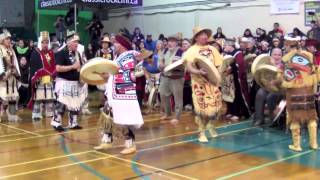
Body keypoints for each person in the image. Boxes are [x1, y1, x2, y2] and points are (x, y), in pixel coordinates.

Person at [94, 32, 144, 154]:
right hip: (114, 94)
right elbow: (112, 74)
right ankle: (107, 141)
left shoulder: (128, 55)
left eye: (115, 43)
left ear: (121, 45)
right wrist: (98, 73)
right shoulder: (118, 57)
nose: (113, 46)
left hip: (123, 94)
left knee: (123, 119)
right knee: (107, 115)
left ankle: (130, 144)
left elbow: (139, 59)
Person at [272, 35, 318, 151]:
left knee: (294, 118)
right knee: (311, 117)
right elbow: (316, 72)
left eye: (285, 46)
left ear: (288, 45)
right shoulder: (309, 55)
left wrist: (274, 82)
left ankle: (297, 145)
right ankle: (314, 144)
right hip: (308, 92)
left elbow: (280, 77)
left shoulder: (286, 59)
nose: (284, 48)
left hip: (294, 92)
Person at [184, 27, 223, 142]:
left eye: (205, 34)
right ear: (196, 37)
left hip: (212, 83)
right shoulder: (191, 50)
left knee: (216, 107)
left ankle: (211, 125)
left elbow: (218, 64)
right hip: (199, 84)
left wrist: (223, 70)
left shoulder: (212, 49)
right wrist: (198, 72)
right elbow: (189, 66)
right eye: (201, 34)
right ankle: (201, 132)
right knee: (202, 109)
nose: (204, 36)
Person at [51, 31, 86, 132]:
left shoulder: (78, 54)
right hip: (64, 82)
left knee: (75, 104)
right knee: (62, 103)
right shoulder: (61, 53)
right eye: (75, 42)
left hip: (75, 82)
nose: (77, 44)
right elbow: (58, 68)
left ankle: (73, 123)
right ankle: (56, 123)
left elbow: (80, 67)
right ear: (69, 42)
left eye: (77, 42)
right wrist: (72, 67)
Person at [28, 31, 56, 120]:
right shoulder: (36, 52)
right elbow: (33, 67)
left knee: (49, 98)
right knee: (38, 98)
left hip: (49, 80)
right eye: (43, 42)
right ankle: (36, 114)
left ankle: (49, 113)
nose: (45, 44)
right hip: (39, 80)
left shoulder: (51, 53)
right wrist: (35, 78)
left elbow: (53, 66)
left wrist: (54, 76)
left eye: (47, 42)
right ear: (40, 43)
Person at [158, 34, 185, 124]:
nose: (170, 43)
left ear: (177, 43)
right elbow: (160, 60)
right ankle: (167, 113)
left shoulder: (182, 52)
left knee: (178, 98)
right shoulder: (165, 50)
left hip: (176, 78)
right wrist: (161, 64)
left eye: (173, 41)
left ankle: (177, 117)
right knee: (163, 95)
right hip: (165, 77)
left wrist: (172, 66)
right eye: (169, 41)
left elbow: (184, 66)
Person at [253, 48, 283, 126]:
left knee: (270, 96)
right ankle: (259, 118)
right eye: (275, 54)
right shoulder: (266, 65)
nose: (277, 57)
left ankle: (273, 119)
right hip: (268, 87)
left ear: (281, 56)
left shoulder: (284, 65)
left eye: (279, 55)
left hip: (280, 89)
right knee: (260, 93)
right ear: (271, 55)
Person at [223, 39, 251, 122]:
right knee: (231, 95)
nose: (224, 47)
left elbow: (240, 65)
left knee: (238, 95)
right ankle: (231, 111)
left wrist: (231, 68)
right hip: (230, 78)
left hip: (237, 78)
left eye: (225, 45)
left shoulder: (238, 53)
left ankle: (239, 113)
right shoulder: (228, 54)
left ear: (230, 46)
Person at [0, 29, 21, 121]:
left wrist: (16, 72)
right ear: (2, 40)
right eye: (7, 39)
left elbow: (15, 62)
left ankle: (12, 115)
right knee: (2, 97)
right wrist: (3, 74)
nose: (9, 40)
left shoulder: (11, 49)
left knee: (12, 97)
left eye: (9, 38)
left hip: (12, 78)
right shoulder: (0, 50)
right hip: (3, 79)